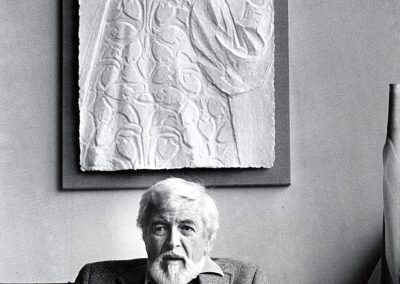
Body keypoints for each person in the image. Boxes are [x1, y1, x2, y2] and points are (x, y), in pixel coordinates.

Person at [75, 178, 268, 283]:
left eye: (186, 228)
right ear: (144, 235)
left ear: (208, 239)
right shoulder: (94, 278)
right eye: (160, 228)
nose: (172, 241)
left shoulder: (247, 279)